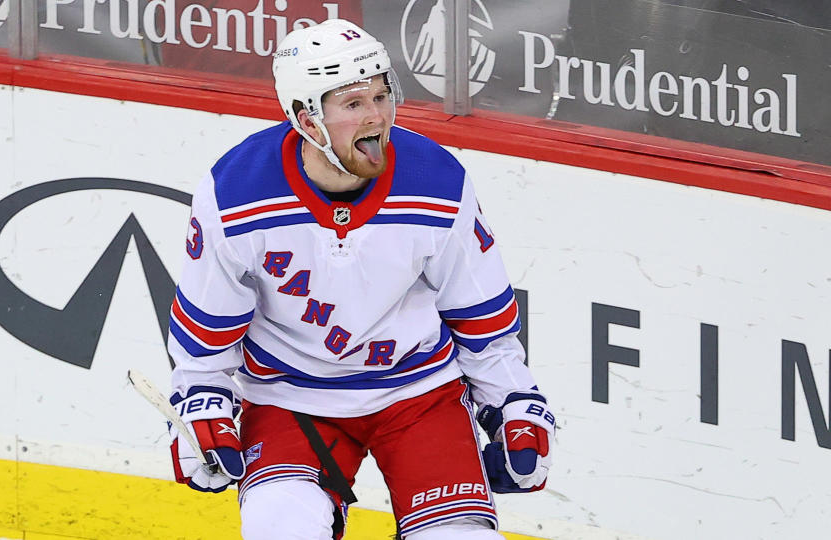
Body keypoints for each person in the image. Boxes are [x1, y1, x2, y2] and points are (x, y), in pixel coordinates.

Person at [166, 18, 555, 540]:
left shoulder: (436, 182)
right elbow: (205, 343)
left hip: (420, 394)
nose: (377, 116)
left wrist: (513, 403)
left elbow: (483, 322)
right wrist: (201, 406)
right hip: (291, 398)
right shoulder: (235, 194)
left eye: (381, 95)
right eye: (353, 104)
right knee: (279, 528)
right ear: (306, 119)